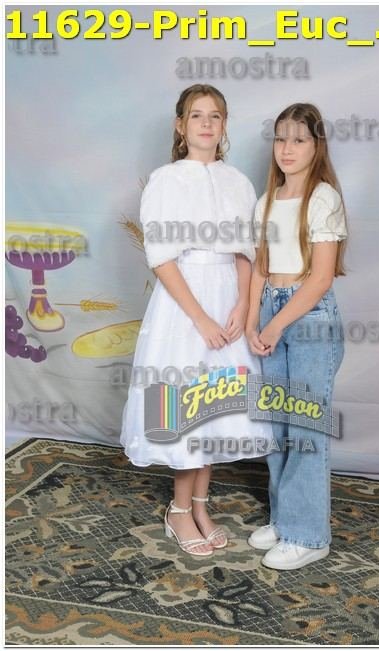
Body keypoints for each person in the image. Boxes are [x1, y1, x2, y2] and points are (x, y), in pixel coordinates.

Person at [120, 84, 273, 558]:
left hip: (228, 297)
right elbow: (162, 258)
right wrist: (201, 318)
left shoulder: (238, 182)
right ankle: (179, 511)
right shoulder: (166, 180)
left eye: (215, 116)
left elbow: (246, 252)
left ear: (224, 125)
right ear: (180, 125)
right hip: (185, 303)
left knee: (217, 409)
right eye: (196, 115)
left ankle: (201, 506)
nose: (206, 123)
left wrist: (242, 305)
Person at [245, 102, 348, 570]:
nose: (287, 149)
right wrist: (253, 321)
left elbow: (320, 278)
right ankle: (285, 518)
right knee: (276, 423)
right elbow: (260, 267)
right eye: (281, 138)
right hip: (270, 308)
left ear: (315, 146)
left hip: (308, 318)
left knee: (305, 424)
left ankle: (309, 535)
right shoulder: (265, 201)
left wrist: (276, 323)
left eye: (299, 140)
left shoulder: (322, 198)